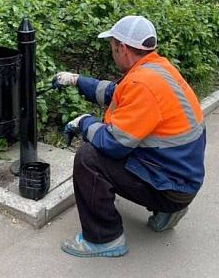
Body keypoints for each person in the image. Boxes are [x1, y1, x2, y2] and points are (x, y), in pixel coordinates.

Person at [56, 15, 206, 258]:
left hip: (171, 187)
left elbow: (113, 144)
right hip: (181, 177)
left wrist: (83, 122)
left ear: (123, 48)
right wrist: (76, 80)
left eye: (113, 48)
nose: (112, 54)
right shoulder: (157, 69)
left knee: (88, 157)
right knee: (104, 150)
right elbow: (116, 93)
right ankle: (168, 212)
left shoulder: (142, 84)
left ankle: (104, 238)